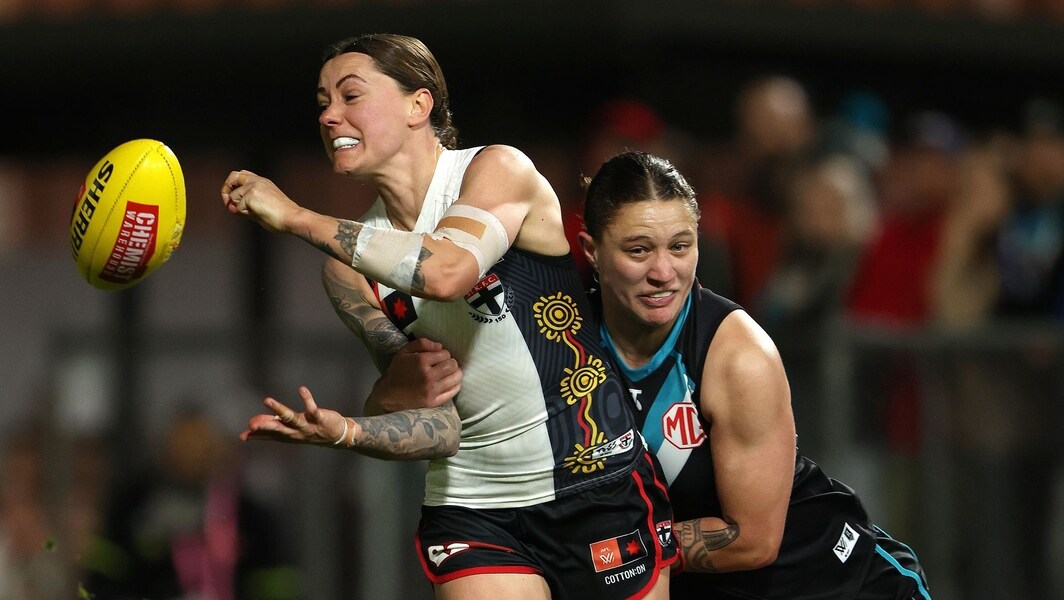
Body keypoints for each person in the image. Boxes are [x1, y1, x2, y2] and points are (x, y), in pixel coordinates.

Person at [220, 33, 676, 599]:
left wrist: (294, 218)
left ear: (419, 105)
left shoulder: (497, 170)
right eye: (322, 102)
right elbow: (437, 422)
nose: (330, 114)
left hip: (594, 485)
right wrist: (352, 425)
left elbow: (445, 271)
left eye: (350, 95)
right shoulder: (347, 271)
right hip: (474, 507)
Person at [575, 150, 932, 599]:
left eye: (680, 246)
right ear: (592, 251)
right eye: (638, 250)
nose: (663, 273)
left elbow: (752, 539)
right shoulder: (565, 341)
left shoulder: (739, 356)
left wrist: (610, 552)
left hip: (840, 585)